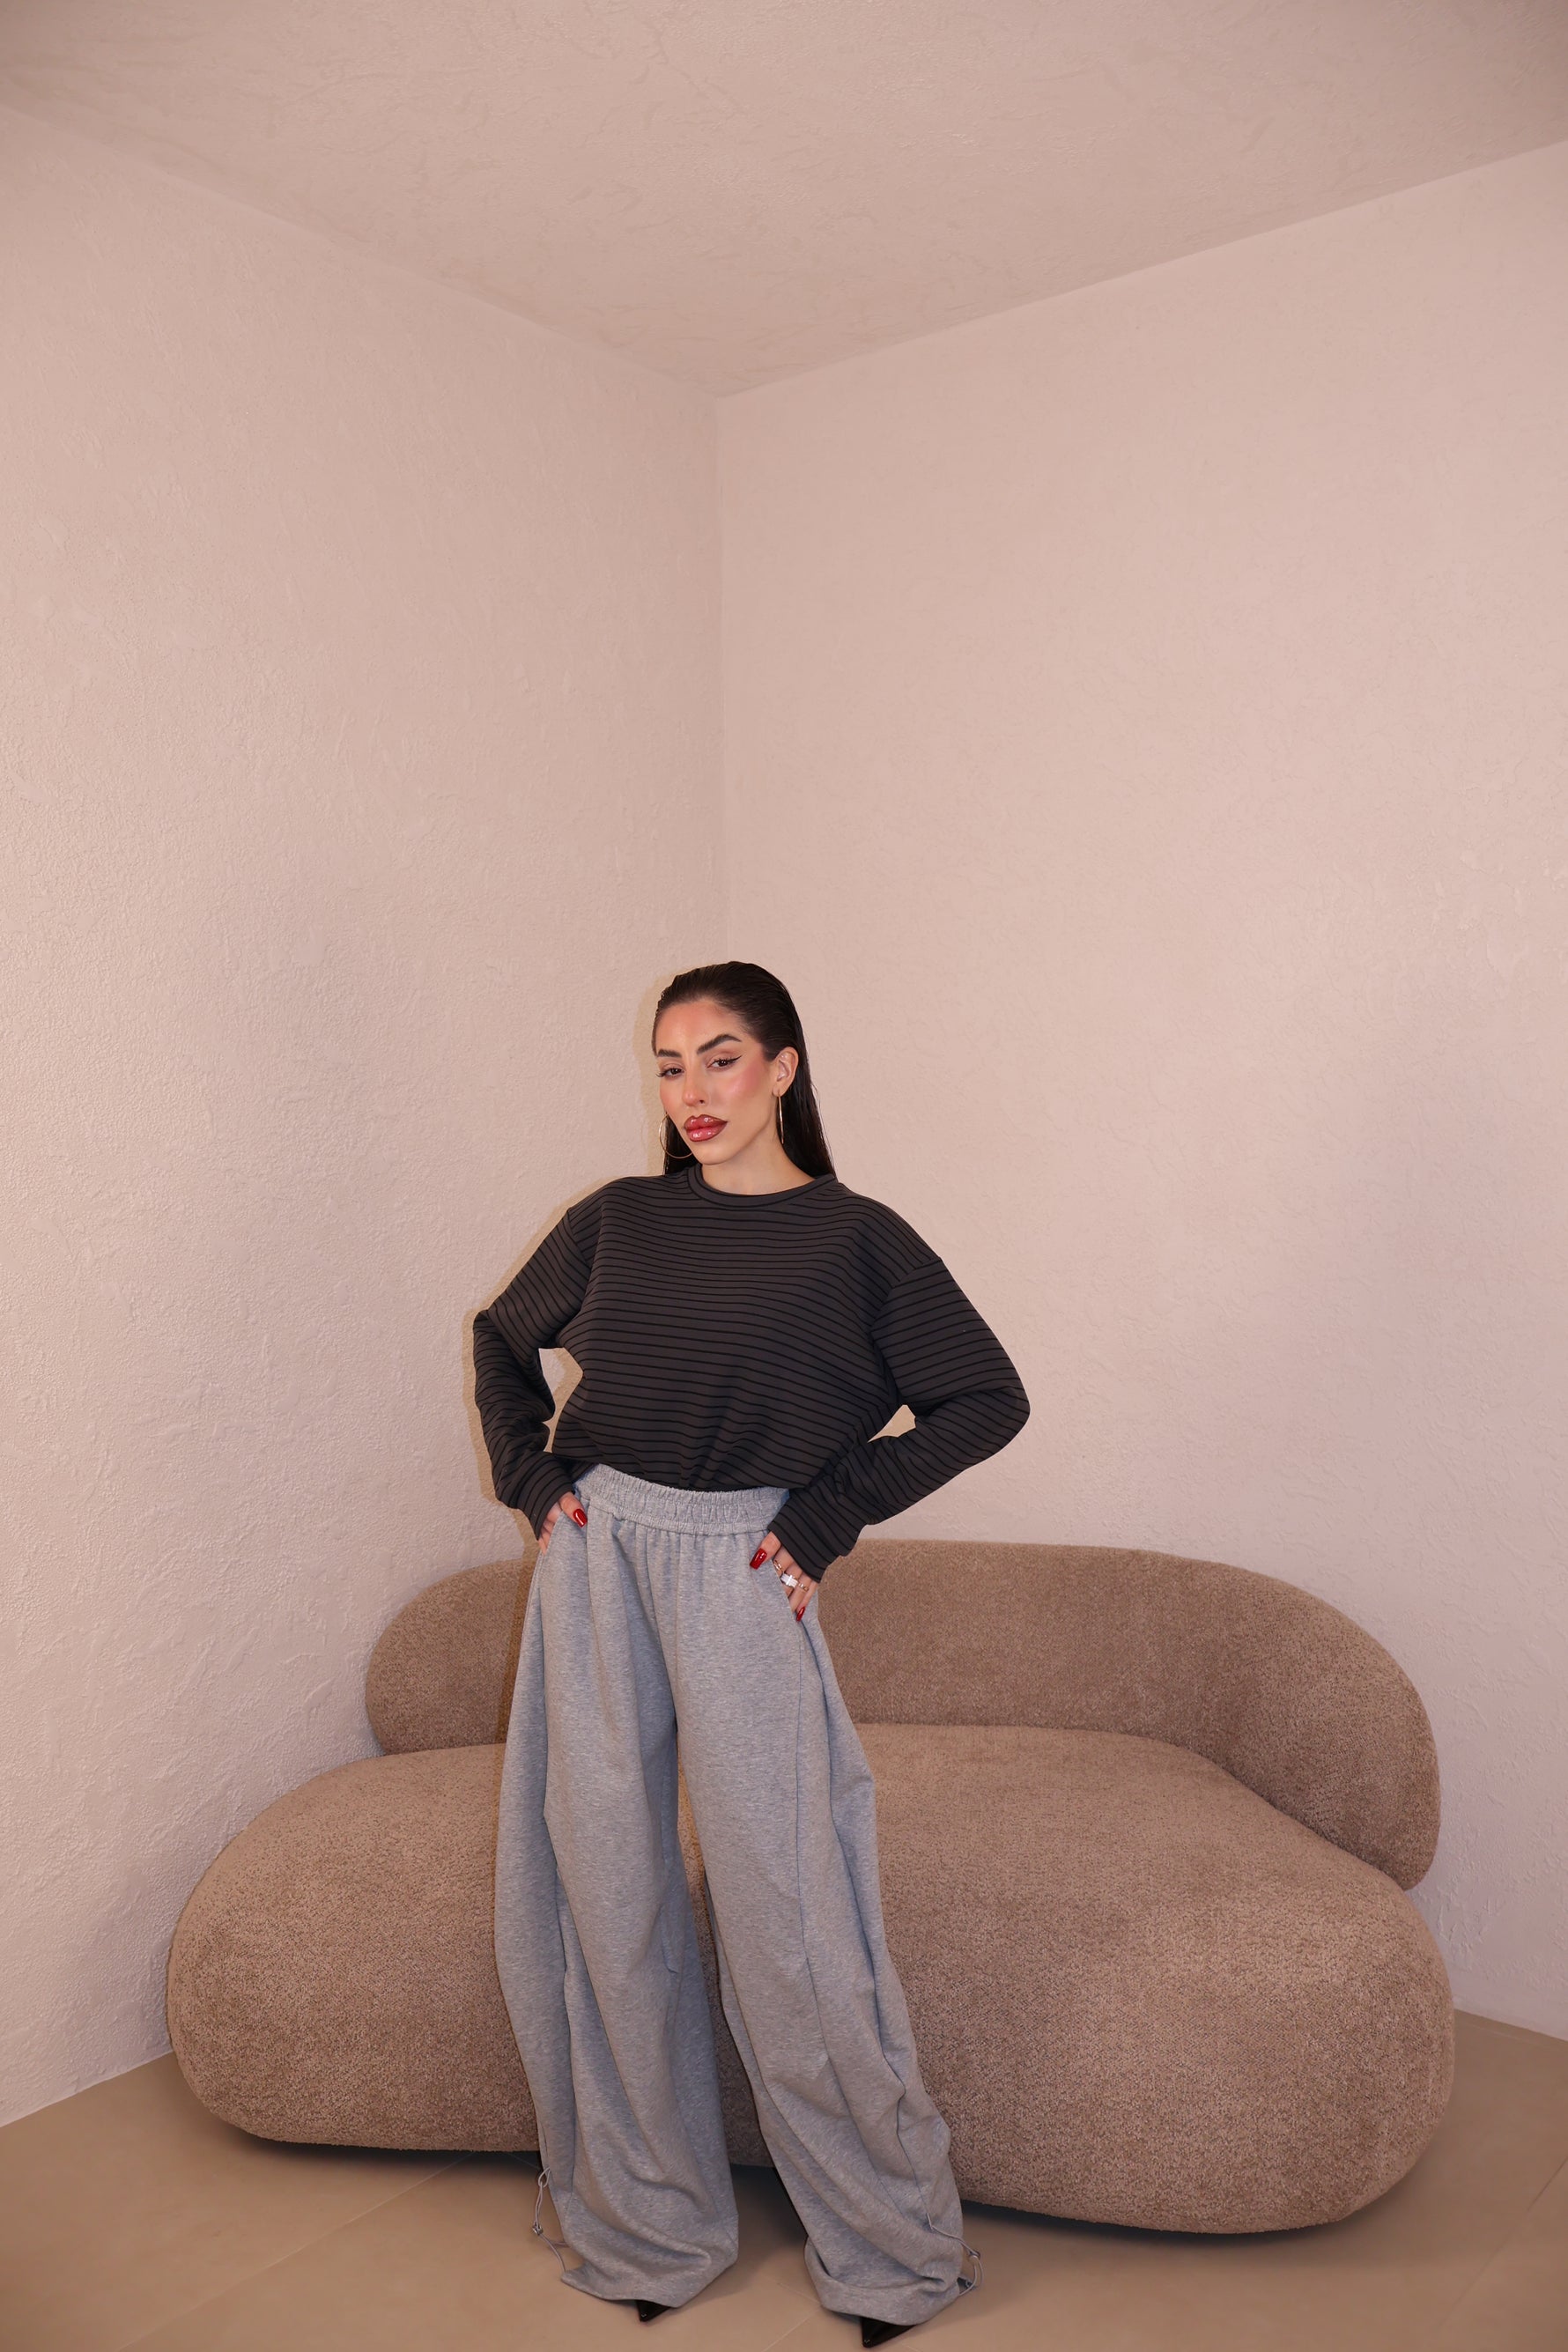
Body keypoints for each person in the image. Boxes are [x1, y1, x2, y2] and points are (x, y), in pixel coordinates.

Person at [471, 960, 1030, 2345]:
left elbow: (984, 1395)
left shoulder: (856, 1239)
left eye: (720, 1058)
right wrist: (535, 1481)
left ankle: (887, 2247)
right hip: (597, 1558)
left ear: (783, 1067)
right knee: (605, 1888)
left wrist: (827, 1515)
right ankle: (651, 2221)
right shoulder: (617, 1219)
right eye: (670, 1066)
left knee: (792, 1911)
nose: (693, 1092)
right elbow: (501, 1338)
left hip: (740, 1564)